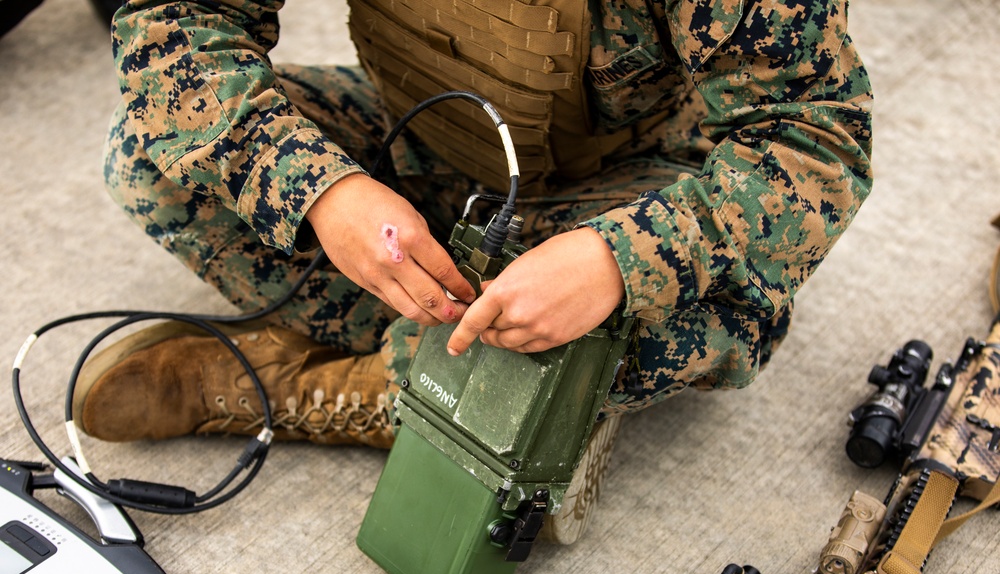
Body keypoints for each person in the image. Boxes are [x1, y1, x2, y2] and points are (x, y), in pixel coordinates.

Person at [82, 0, 872, 541]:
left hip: (630, 183)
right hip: (428, 138)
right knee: (151, 155)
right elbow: (173, 27)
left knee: (732, 307)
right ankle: (476, 386)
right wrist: (323, 190)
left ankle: (327, 387)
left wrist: (620, 260)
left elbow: (815, 139)